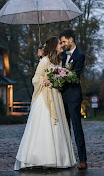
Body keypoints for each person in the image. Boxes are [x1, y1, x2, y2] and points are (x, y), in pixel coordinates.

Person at [14, 36, 76, 170]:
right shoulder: (45, 61)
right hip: (45, 98)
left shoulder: (58, 62)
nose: (61, 45)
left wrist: (57, 80)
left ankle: (59, 159)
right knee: (44, 126)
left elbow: (59, 78)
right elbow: (35, 79)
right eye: (59, 43)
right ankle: (39, 159)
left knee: (57, 126)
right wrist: (45, 82)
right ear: (54, 46)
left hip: (56, 96)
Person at [59, 29, 87, 169]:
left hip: (74, 97)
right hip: (62, 96)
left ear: (71, 40)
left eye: (64, 41)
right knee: (64, 129)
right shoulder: (62, 55)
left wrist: (59, 78)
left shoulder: (80, 56)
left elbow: (74, 75)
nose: (63, 44)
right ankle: (66, 159)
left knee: (77, 128)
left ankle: (82, 160)